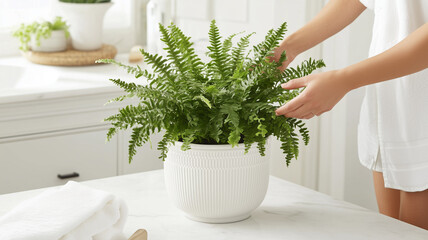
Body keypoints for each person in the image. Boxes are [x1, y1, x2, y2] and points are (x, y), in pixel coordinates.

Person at [273, 0, 428, 230]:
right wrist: (286, 48)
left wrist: (344, 80)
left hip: (420, 112)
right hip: (391, 109)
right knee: (392, 230)